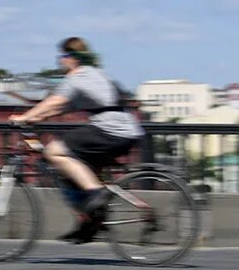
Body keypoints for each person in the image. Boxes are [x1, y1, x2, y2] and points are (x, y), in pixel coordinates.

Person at [9, 36, 144, 244]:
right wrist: (36, 117)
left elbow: (56, 101)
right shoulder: (95, 74)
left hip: (111, 129)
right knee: (70, 172)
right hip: (126, 130)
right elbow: (59, 108)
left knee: (54, 152)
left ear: (73, 57)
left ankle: (96, 193)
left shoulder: (78, 77)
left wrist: (24, 117)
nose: (61, 61)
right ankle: (88, 225)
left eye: (63, 56)